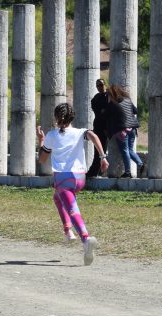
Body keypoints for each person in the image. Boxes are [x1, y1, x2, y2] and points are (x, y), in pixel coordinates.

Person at [37, 102, 109, 266]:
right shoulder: (79, 132)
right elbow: (93, 136)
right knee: (57, 198)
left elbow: (42, 159)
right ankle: (68, 230)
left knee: (72, 209)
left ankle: (85, 239)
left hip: (63, 178)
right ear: (72, 118)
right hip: (79, 178)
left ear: (56, 118)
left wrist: (41, 141)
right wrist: (102, 157)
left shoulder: (52, 135)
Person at [106, 83, 142, 178]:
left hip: (121, 130)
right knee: (130, 150)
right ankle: (140, 164)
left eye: (108, 94)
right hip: (133, 128)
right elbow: (135, 111)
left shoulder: (112, 104)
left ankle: (128, 172)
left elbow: (106, 116)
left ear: (111, 94)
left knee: (125, 151)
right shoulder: (127, 100)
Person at [87, 78, 110, 177]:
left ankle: (95, 171)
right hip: (98, 126)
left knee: (102, 150)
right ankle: (94, 172)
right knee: (99, 150)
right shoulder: (96, 98)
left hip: (106, 126)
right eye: (98, 85)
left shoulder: (109, 96)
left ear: (105, 84)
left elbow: (107, 111)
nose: (100, 87)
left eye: (101, 85)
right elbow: (98, 110)